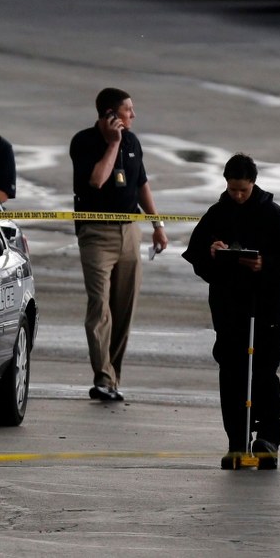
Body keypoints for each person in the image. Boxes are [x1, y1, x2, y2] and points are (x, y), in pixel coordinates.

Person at [181, 153, 280, 470]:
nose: (238, 195)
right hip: (230, 308)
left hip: (267, 308)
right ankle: (237, 441)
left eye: (243, 189)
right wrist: (212, 252)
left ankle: (268, 438)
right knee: (232, 373)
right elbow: (196, 253)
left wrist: (265, 263)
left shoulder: (272, 214)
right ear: (226, 184)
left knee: (264, 372)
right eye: (233, 189)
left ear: (253, 183)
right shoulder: (216, 214)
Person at [69, 87, 169, 402]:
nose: (133, 115)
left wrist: (157, 224)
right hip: (96, 234)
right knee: (100, 306)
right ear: (111, 115)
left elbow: (141, 183)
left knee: (123, 308)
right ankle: (102, 377)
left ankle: (113, 377)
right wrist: (113, 144)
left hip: (129, 232)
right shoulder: (84, 142)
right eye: (128, 110)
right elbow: (97, 180)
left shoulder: (133, 141)